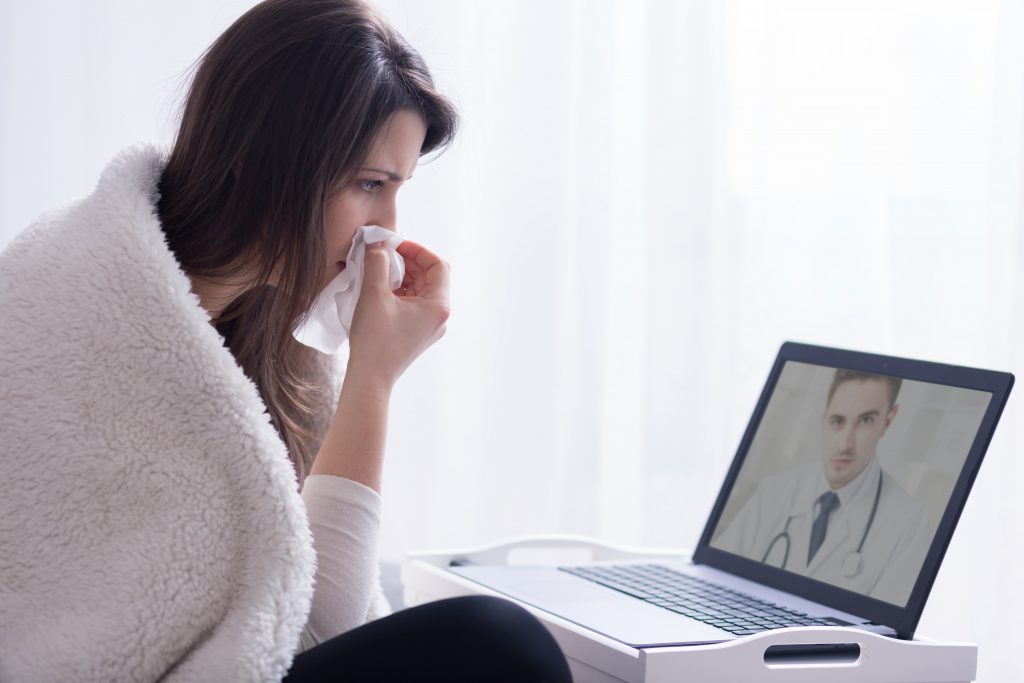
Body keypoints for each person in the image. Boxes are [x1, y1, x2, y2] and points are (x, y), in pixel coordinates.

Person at [0, 1, 572, 681]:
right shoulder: (68, 319)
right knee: (494, 641)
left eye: (397, 191)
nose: (385, 230)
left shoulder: (271, 340)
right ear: (257, 158)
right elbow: (308, 632)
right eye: (369, 185)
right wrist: (375, 377)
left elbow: (304, 621)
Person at [714, 370, 931, 605]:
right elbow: (715, 577)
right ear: (824, 418)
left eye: (866, 421)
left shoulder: (909, 523)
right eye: (838, 421)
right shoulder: (774, 492)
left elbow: (883, 633)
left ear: (887, 421)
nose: (845, 444)